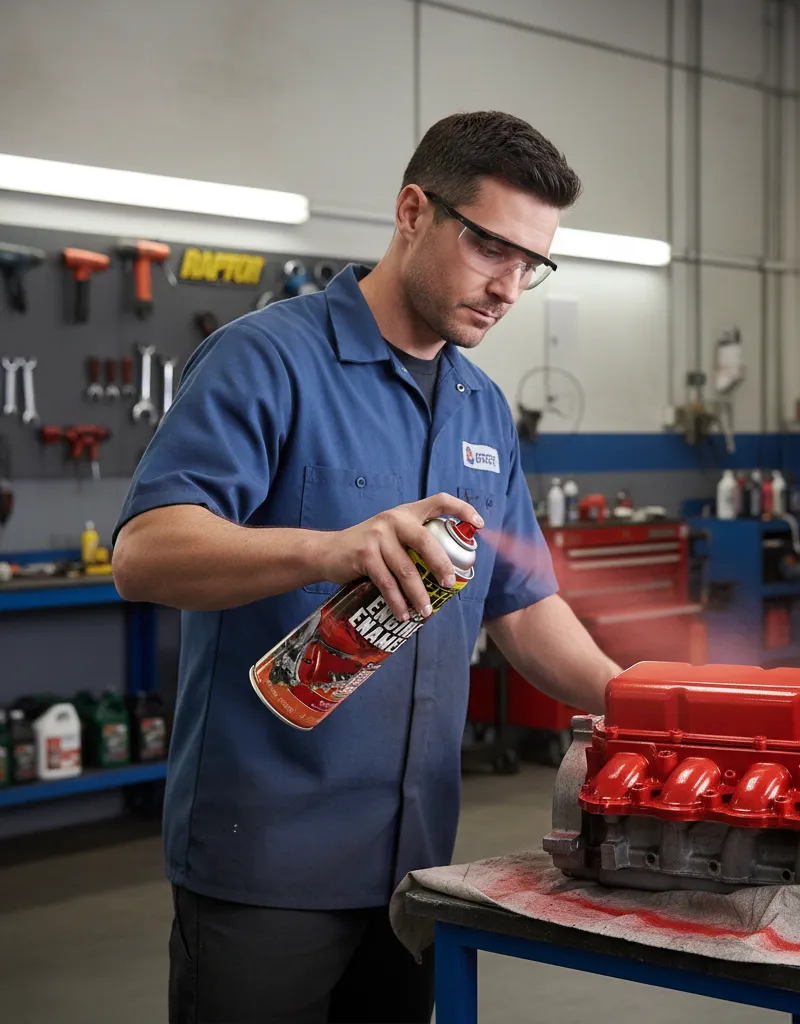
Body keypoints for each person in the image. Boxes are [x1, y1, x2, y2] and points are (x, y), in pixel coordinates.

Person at [112, 110, 620, 1024]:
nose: (508, 288)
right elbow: (144, 555)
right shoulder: (266, 359)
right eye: (491, 247)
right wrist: (330, 546)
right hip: (265, 861)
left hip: (414, 865)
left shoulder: (481, 407)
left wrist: (647, 705)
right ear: (413, 211)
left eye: (530, 265)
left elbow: (521, 606)